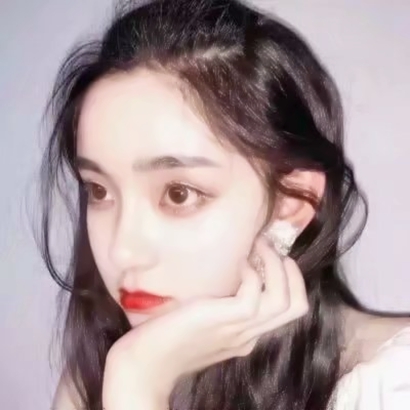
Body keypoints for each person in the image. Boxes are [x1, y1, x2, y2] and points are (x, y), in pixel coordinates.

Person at [38, 0, 410, 409]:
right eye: (98, 190)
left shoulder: (393, 384)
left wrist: (137, 388)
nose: (122, 251)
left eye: (178, 194)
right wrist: (134, 375)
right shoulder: (106, 368)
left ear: (291, 203)